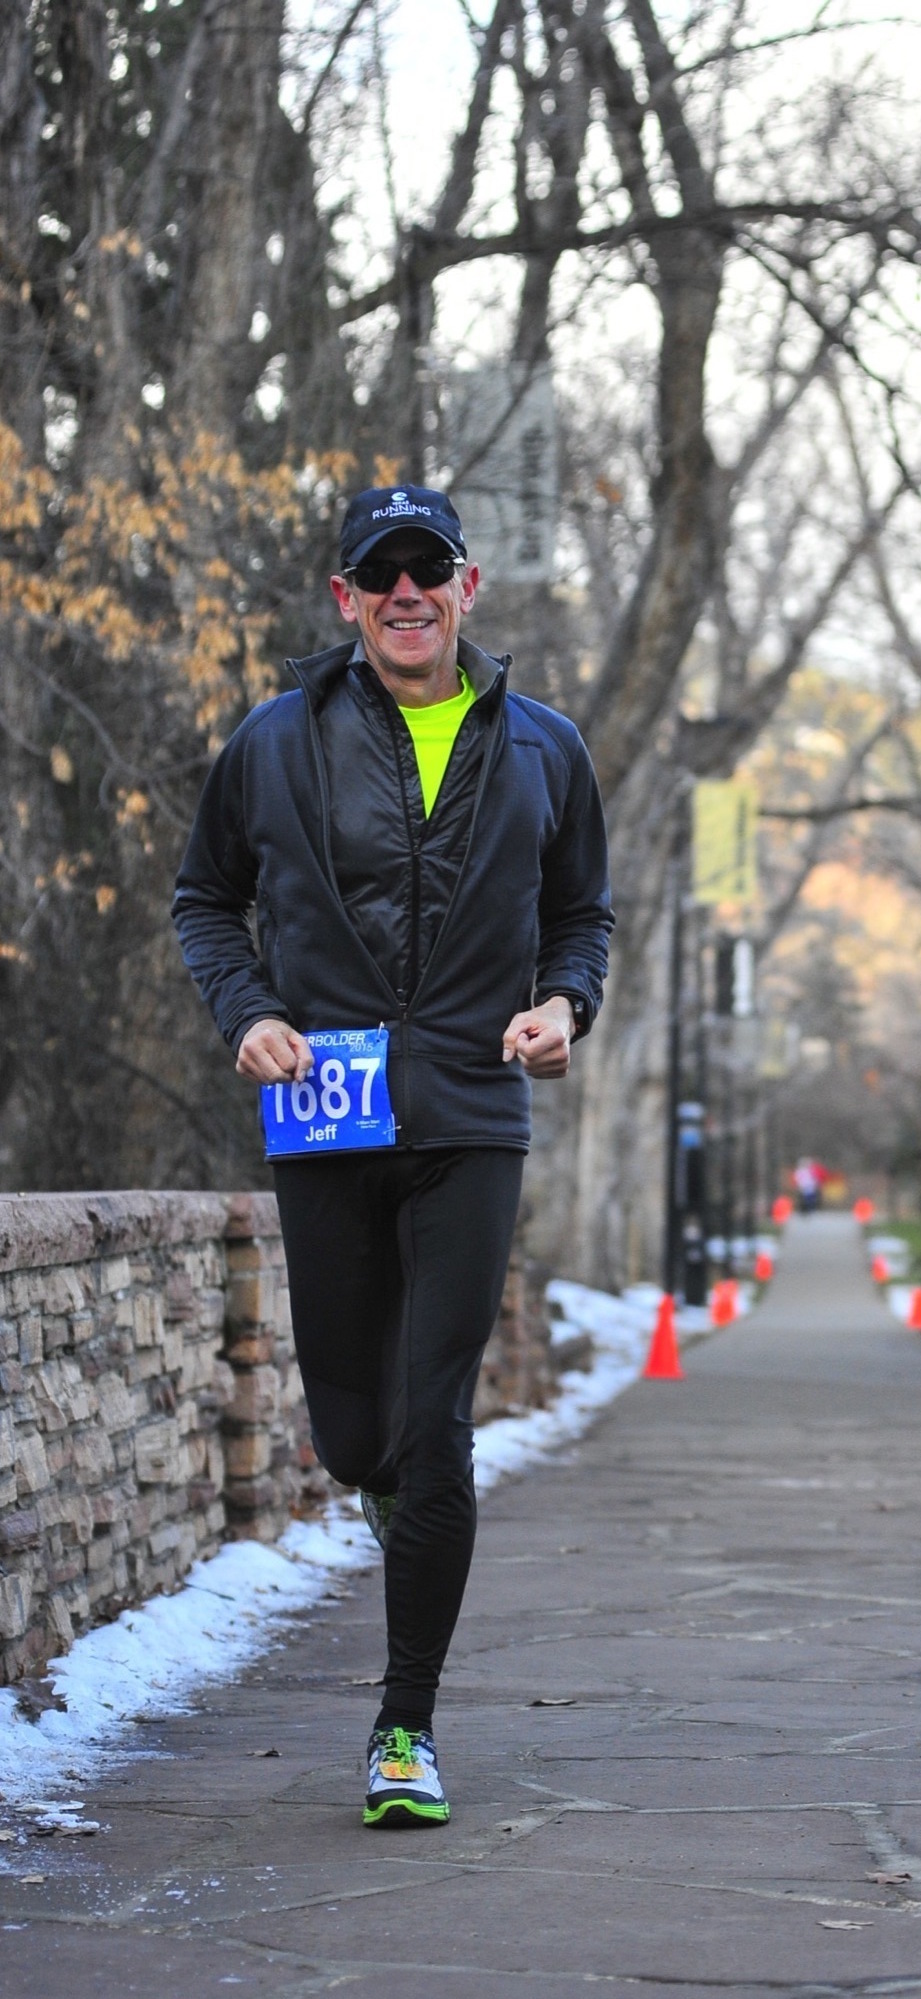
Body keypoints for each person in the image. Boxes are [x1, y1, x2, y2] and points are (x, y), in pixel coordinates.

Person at [173, 483, 612, 1830]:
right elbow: (207, 901)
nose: (408, 593)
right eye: (383, 574)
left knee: (434, 1429)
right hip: (326, 1118)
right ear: (345, 596)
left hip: (474, 1116)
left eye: (431, 571)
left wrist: (562, 1007)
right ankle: (391, 1493)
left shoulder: (543, 746)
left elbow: (580, 917)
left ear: (469, 588)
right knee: (355, 1429)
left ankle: (404, 1725)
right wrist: (249, 1014)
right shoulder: (275, 743)